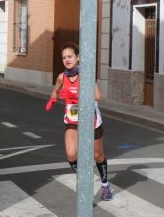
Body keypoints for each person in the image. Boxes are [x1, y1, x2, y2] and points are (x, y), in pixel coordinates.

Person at [45, 43, 113, 201]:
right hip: (72, 119)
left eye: (70, 56)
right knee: (70, 154)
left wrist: (82, 96)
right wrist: (53, 98)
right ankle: (85, 177)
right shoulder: (62, 77)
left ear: (78, 57)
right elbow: (56, 89)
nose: (67, 60)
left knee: (98, 155)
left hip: (90, 119)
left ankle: (105, 185)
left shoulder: (86, 75)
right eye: (64, 58)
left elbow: (98, 96)